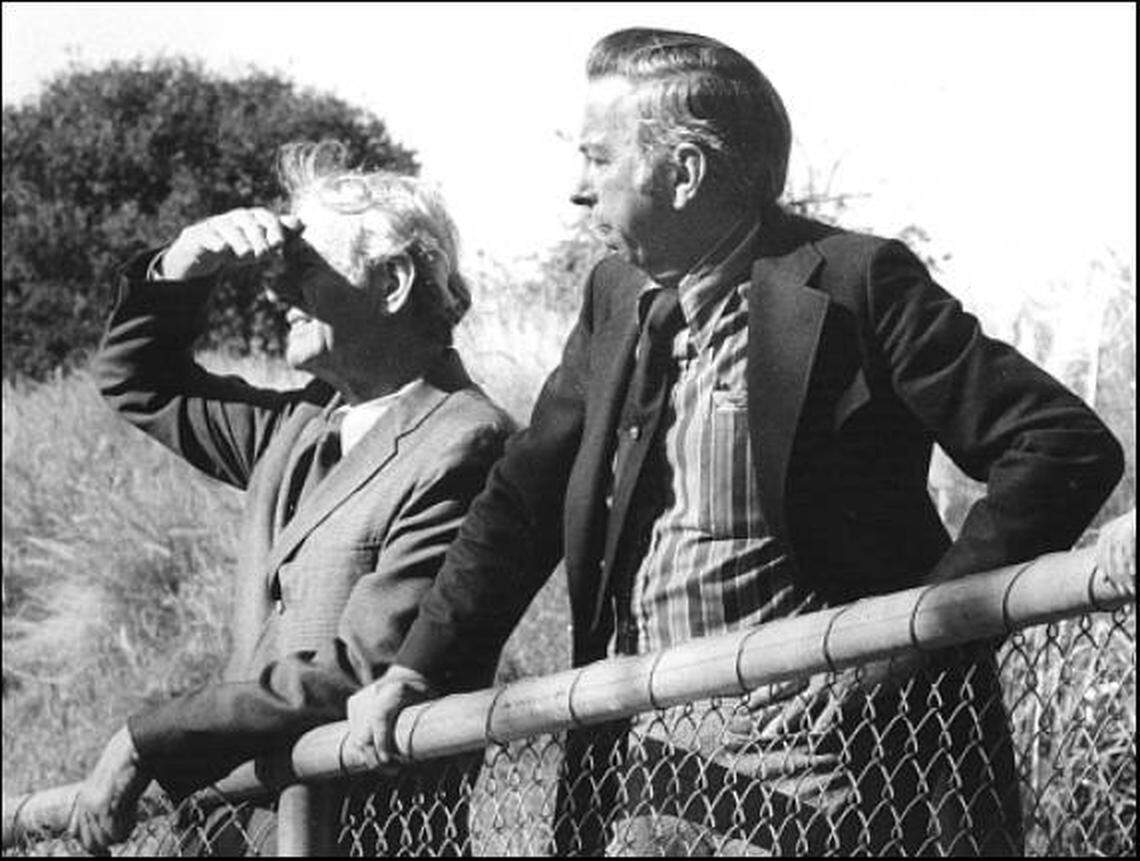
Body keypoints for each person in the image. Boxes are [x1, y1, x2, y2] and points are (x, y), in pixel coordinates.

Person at [345, 27, 1125, 856]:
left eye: (598, 158)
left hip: (832, 770)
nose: (578, 188)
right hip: (641, 765)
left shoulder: (857, 281)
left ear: (683, 172)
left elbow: (1060, 447)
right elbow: (522, 498)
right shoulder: (617, 295)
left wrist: (904, 646)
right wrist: (415, 669)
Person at [67, 140, 514, 855]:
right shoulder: (298, 424)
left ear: (393, 280)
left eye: (301, 270)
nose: (276, 293)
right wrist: (181, 266)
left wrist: (148, 735)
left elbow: (364, 669)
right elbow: (137, 384)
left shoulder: (468, 439)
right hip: (246, 825)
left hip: (369, 833)